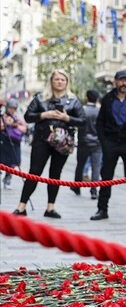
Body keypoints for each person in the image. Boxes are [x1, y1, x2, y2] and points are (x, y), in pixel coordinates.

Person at [13, 69, 85, 218]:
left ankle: (50, 207)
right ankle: (21, 206)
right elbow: (28, 117)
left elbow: (83, 121)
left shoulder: (73, 100)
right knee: (34, 172)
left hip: (63, 142)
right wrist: (43, 115)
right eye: (57, 79)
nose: (59, 82)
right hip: (42, 140)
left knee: (55, 174)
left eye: (63, 79)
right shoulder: (40, 98)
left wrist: (67, 118)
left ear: (67, 82)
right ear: (51, 81)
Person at [91, 70, 126, 223]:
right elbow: (100, 122)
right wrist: (104, 142)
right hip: (110, 142)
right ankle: (102, 209)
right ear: (115, 82)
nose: (124, 83)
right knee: (106, 176)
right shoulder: (107, 99)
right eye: (121, 80)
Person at [71, 89, 102, 200]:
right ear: (97, 98)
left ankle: (76, 186)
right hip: (97, 143)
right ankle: (94, 190)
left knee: (80, 164)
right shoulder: (100, 112)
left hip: (83, 142)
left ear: (86, 97)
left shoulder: (82, 111)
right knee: (96, 166)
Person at [1, 98, 27, 190]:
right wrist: (6, 124)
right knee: (2, 161)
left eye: (14, 108)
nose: (12, 110)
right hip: (4, 142)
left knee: (13, 162)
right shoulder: (3, 116)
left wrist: (15, 125)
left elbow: (24, 129)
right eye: (10, 108)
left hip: (15, 142)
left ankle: (8, 179)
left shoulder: (18, 117)